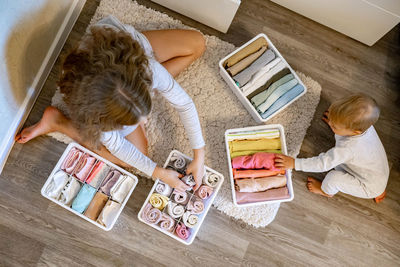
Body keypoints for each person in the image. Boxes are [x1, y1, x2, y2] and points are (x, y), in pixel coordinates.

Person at [15, 16, 206, 192]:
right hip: (93, 94)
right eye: (133, 118)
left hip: (122, 49)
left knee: (197, 44)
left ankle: (137, 103)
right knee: (136, 157)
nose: (146, 121)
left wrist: (199, 155)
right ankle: (59, 122)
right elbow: (120, 148)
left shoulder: (147, 68)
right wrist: (159, 173)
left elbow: (185, 104)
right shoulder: (97, 115)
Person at [275, 93, 389, 203]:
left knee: (333, 178)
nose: (331, 122)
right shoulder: (363, 126)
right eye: (332, 119)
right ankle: (379, 190)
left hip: (367, 186)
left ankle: (325, 191)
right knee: (347, 164)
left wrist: (295, 163)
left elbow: (322, 164)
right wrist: (335, 120)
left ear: (355, 131)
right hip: (377, 173)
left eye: (334, 125)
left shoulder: (347, 149)